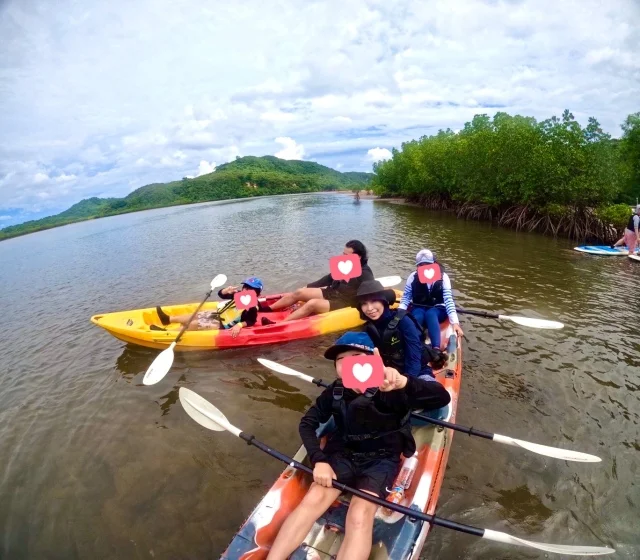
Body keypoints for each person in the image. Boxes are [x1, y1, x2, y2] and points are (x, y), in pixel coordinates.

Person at [266, 332, 451, 560]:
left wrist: (404, 382)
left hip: (381, 460)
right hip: (342, 453)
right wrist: (319, 460)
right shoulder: (334, 391)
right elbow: (307, 424)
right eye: (340, 360)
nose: (347, 364)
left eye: (355, 356)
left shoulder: (392, 387)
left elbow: (442, 398)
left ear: (373, 360)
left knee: (359, 515)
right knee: (313, 499)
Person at [260, 240, 374, 324]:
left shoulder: (365, 273)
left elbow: (371, 292)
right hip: (332, 293)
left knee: (312, 304)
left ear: (358, 257)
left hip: (345, 302)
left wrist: (366, 307)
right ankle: (266, 309)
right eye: (343, 254)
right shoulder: (347, 265)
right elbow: (328, 278)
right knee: (300, 292)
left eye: (346, 255)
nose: (343, 257)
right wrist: (308, 287)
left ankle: (279, 324)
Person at [356, 280, 446, 375]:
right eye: (364, 304)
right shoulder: (367, 329)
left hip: (416, 373)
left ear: (383, 301)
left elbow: (414, 358)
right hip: (388, 376)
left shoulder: (403, 321)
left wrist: (407, 383)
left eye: (374, 301)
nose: (369, 308)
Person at [398, 250, 464, 355]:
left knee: (431, 314)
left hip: (438, 308)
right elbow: (406, 297)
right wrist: (399, 314)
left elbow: (448, 299)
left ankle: (436, 349)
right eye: (421, 265)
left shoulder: (444, 277)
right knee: (417, 315)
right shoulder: (412, 277)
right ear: (417, 266)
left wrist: (454, 322)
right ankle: (414, 345)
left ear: (434, 263)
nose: (424, 267)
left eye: (428, 264)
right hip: (419, 306)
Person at [154, 277, 263, 339]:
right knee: (194, 315)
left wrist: (239, 325)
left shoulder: (253, 306)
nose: (245, 290)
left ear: (256, 293)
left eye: (250, 289)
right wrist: (225, 290)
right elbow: (222, 295)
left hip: (223, 324)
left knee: (194, 324)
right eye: (245, 287)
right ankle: (168, 319)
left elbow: (251, 321)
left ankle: (166, 333)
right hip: (218, 315)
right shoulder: (241, 295)